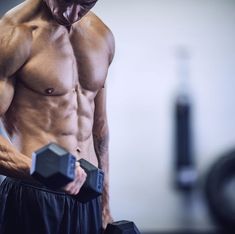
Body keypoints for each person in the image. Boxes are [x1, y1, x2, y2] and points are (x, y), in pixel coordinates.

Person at [0, 0, 115, 233]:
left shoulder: (102, 36)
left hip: (87, 196)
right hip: (35, 194)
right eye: (66, 0)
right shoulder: (13, 34)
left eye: (84, 4)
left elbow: (99, 128)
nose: (72, 14)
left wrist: (104, 204)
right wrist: (37, 169)